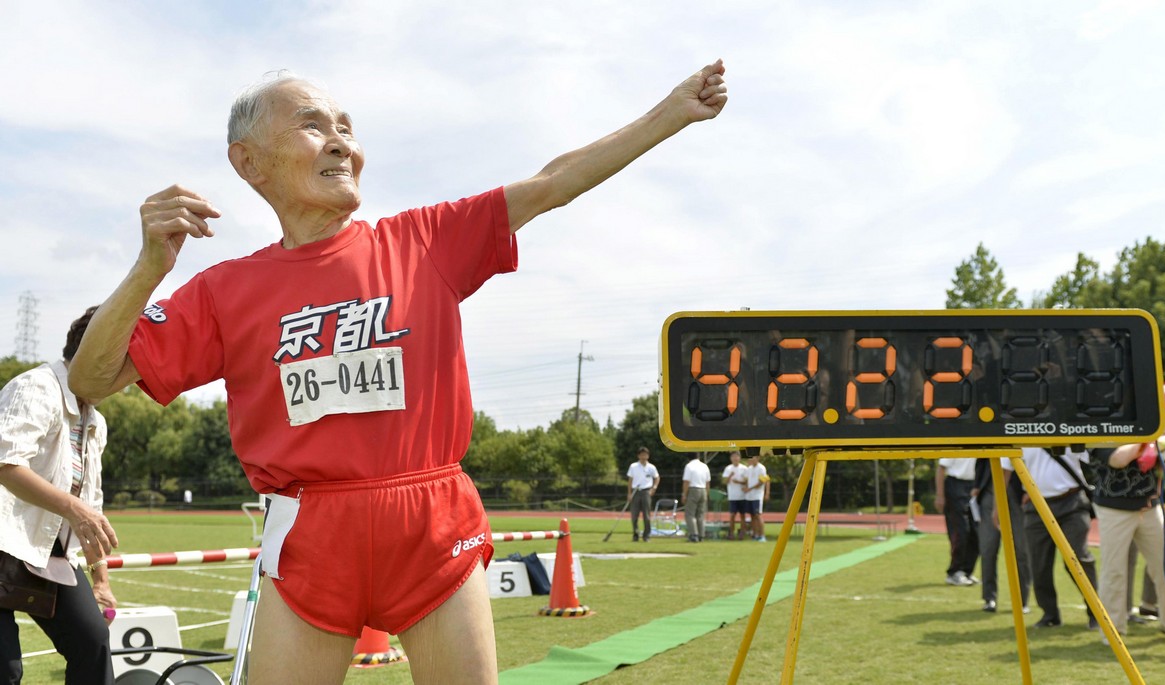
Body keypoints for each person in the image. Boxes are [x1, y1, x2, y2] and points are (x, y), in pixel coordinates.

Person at [67, 61, 727, 685]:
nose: (341, 143)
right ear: (250, 162)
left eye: (347, 128)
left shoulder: (422, 242)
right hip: (308, 539)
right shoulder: (224, 291)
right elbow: (91, 379)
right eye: (314, 124)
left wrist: (671, 113)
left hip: (431, 523)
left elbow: (553, 184)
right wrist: (151, 265)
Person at [0, 307, 119, 685]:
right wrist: (74, 507)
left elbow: (91, 501)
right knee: (5, 668)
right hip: (3, 540)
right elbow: (5, 463)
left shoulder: (94, 418)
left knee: (92, 642)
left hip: (45, 550)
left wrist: (101, 579)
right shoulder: (35, 387)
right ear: (94, 353)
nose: (127, 377)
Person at [1092, 431, 1165, 643]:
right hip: (1114, 509)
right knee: (1114, 571)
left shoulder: (1147, 428)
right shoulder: (1099, 429)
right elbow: (1118, 459)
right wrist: (1151, 437)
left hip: (1149, 506)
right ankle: (1113, 631)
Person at [1003, 447, 1098, 630]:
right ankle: (1050, 614)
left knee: (1078, 558)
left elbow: (1091, 455)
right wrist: (997, 507)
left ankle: (1096, 612)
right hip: (1035, 504)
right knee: (1038, 563)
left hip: (1072, 502)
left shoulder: (1063, 426)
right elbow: (1005, 470)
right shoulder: (1017, 434)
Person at [974, 458, 1030, 613]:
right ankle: (989, 598)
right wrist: (977, 485)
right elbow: (981, 456)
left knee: (1022, 551)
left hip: (1018, 493)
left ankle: (1022, 601)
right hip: (990, 490)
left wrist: (1028, 489)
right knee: (988, 549)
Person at [935, 457, 979, 587]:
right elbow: (941, 468)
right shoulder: (956, 440)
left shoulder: (982, 440)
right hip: (955, 486)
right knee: (960, 532)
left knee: (976, 533)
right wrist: (940, 495)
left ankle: (967, 571)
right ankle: (954, 572)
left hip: (974, 486)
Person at [627, 447, 660, 542]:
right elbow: (630, 480)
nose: (643, 456)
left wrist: (654, 488)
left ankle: (646, 535)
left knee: (646, 515)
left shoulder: (651, 467)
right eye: (641, 454)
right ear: (638, 455)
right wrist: (629, 493)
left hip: (646, 491)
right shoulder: (633, 466)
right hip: (635, 491)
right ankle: (635, 534)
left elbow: (657, 478)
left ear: (648, 456)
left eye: (645, 454)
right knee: (634, 514)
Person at [681, 454, 711, 542]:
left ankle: (693, 534)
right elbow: (708, 482)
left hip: (693, 489)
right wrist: (707, 494)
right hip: (703, 490)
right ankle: (701, 535)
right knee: (700, 515)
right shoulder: (704, 466)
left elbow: (686, 481)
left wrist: (684, 494)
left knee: (690, 514)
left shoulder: (689, 466)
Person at [722, 450, 749, 540]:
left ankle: (742, 533)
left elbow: (747, 481)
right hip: (732, 496)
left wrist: (739, 482)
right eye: (733, 457)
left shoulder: (744, 468)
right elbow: (724, 481)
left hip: (742, 495)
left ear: (739, 458)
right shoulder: (728, 469)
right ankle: (731, 533)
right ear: (731, 458)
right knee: (732, 515)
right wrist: (730, 476)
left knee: (742, 515)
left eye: (736, 456)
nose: (735, 458)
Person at [744, 453, 769, 542]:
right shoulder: (749, 469)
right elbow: (747, 480)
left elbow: (762, 482)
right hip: (749, 496)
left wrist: (767, 493)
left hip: (757, 495)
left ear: (757, 458)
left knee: (758, 515)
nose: (751, 459)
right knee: (752, 516)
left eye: (753, 457)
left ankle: (762, 536)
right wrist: (746, 488)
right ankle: (755, 535)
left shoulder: (761, 468)